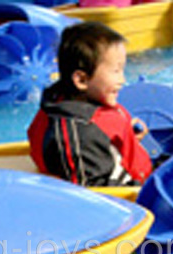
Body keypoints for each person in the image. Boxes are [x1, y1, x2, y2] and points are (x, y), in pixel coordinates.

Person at [27, 21, 153, 187]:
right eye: (116, 71)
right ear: (81, 80)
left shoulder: (73, 102)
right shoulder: (78, 136)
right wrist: (144, 190)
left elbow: (100, 133)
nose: (122, 80)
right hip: (133, 193)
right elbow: (94, 194)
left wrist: (125, 138)